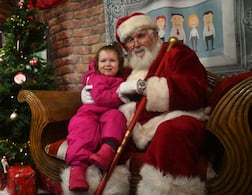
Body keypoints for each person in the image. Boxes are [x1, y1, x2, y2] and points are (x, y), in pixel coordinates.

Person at [83, 12, 211, 194]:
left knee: (173, 131)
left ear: (154, 34)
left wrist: (146, 88)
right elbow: (99, 73)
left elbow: (194, 90)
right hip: (133, 127)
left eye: (141, 36)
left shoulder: (176, 53)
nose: (135, 44)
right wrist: (89, 90)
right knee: (99, 128)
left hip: (173, 117)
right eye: (129, 40)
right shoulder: (127, 69)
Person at [65, 42, 127, 191]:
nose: (107, 64)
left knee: (117, 117)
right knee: (82, 128)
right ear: (97, 64)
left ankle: (106, 152)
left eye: (112, 61)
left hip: (107, 112)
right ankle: (77, 171)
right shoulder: (94, 78)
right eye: (103, 61)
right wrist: (119, 95)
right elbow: (101, 97)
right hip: (89, 112)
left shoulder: (121, 82)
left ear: (119, 65)